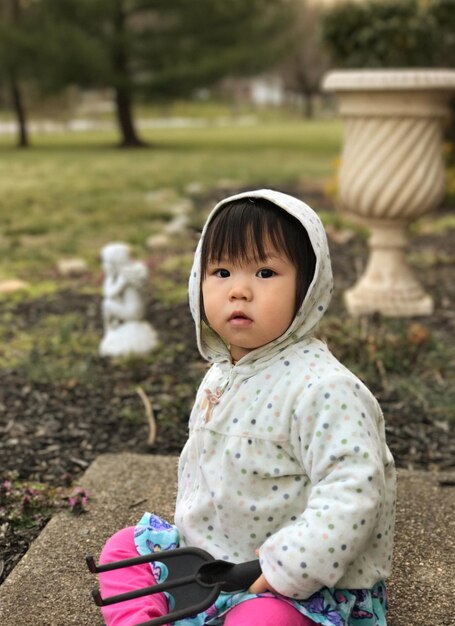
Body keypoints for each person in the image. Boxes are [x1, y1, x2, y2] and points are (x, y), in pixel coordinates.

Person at [98, 189, 397, 626]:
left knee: (264, 622)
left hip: (295, 586)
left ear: (308, 286)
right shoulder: (222, 374)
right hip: (212, 566)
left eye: (264, 271)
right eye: (221, 271)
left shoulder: (325, 388)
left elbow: (353, 493)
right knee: (123, 549)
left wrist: (287, 567)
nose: (239, 290)